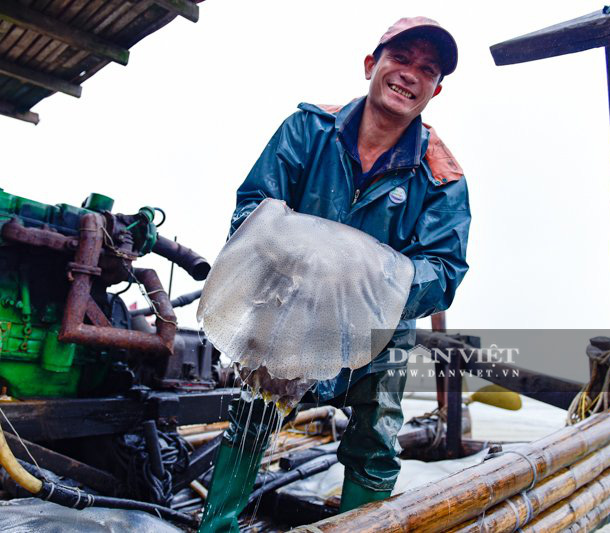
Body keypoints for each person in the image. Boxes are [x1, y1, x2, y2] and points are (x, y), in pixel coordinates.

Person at [198, 16, 471, 532]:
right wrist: (302, 262)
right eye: (400, 60)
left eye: (426, 70)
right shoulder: (307, 128)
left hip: (379, 329)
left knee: (376, 440)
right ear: (372, 65)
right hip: (287, 308)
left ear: (436, 90)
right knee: (253, 418)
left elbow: (445, 270)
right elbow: (254, 208)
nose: (410, 75)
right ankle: (216, 526)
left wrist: (369, 280)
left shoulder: (442, 177)